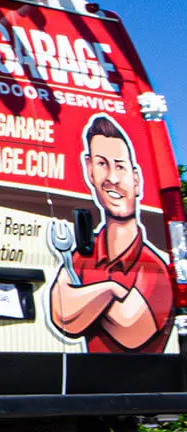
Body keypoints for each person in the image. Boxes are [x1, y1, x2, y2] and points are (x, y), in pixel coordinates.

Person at [48, 114, 174, 353]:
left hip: (141, 388)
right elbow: (62, 315)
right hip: (84, 386)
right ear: (90, 171)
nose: (112, 178)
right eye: (102, 164)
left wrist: (84, 298)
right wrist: (112, 289)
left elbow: (131, 330)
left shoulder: (154, 266)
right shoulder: (82, 254)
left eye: (120, 166)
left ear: (136, 180)